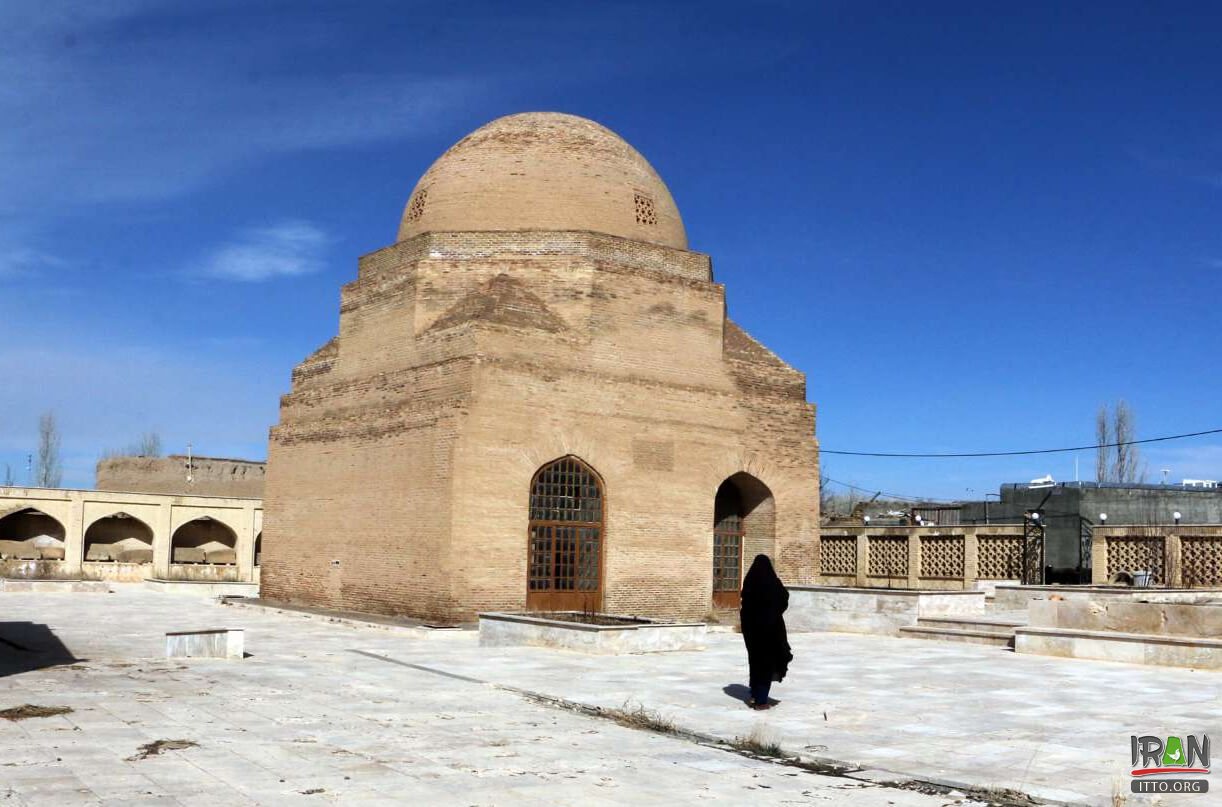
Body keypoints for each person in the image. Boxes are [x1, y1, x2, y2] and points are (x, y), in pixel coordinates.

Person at [739, 554, 792, 710]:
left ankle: (755, 694)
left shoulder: (749, 582)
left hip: (752, 632)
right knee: (766, 664)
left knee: (755, 662)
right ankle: (761, 701)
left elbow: (745, 605)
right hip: (771, 631)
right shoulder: (773, 583)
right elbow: (784, 599)